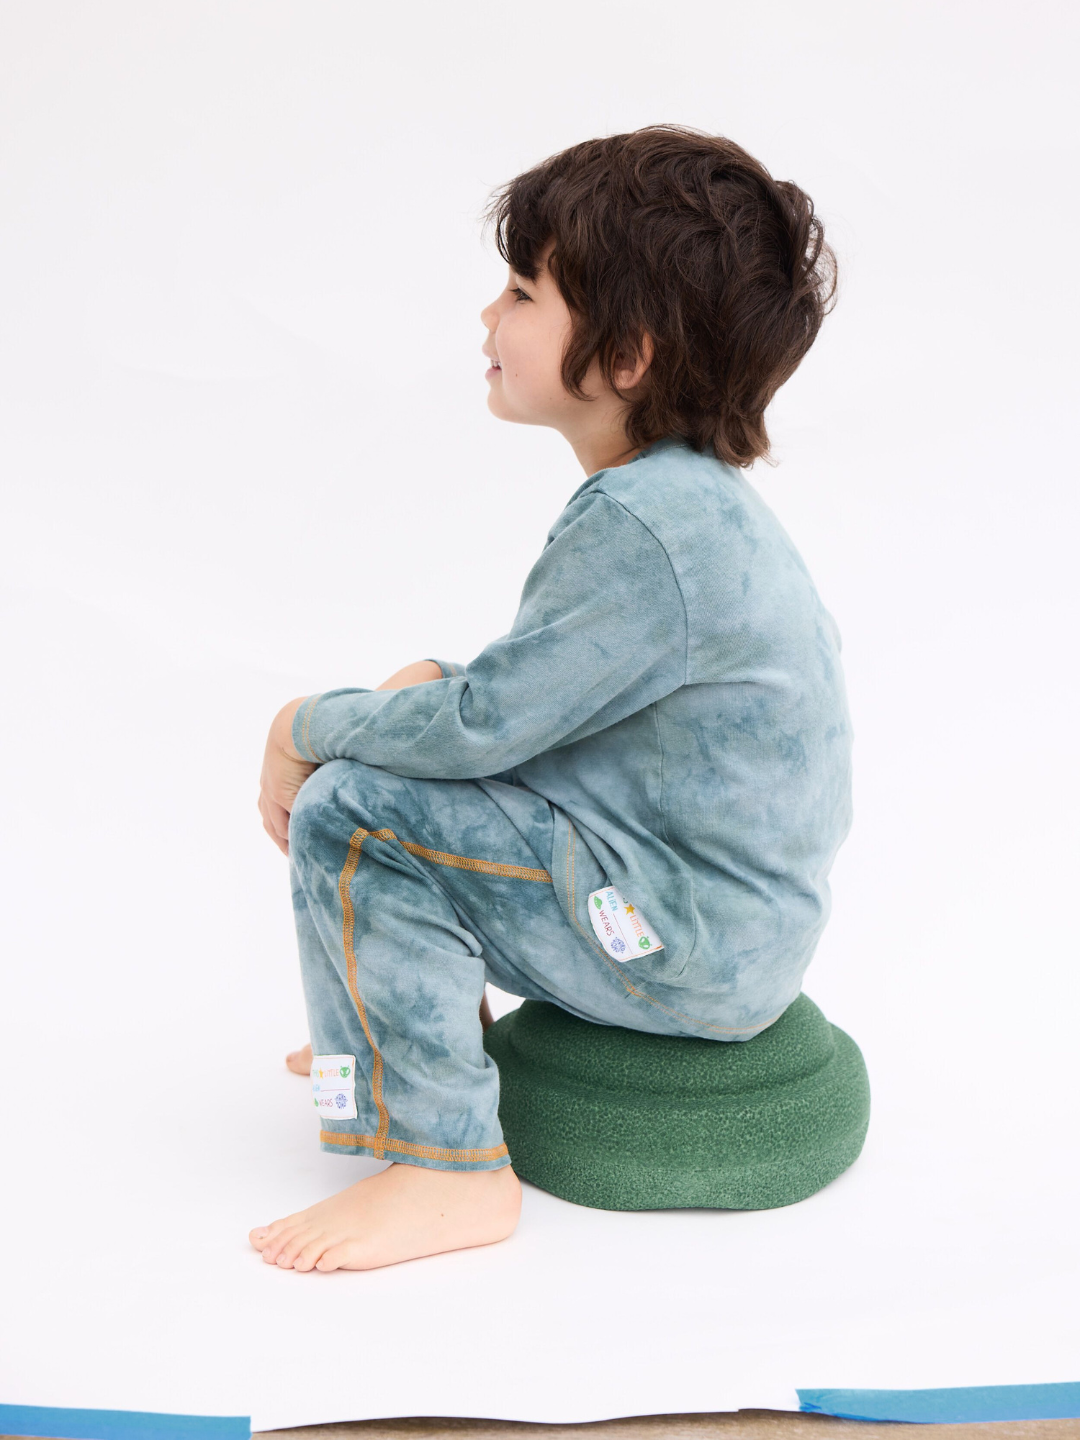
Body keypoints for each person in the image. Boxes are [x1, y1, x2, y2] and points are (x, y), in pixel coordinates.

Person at [249, 124, 852, 1273]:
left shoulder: (644, 528)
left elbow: (486, 729)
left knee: (354, 810)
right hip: (706, 908)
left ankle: (443, 1170)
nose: (488, 318)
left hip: (682, 943)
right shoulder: (681, 505)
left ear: (625, 355)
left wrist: (302, 726)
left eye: (522, 292)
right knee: (415, 727)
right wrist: (427, 690)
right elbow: (528, 705)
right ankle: (392, 1041)